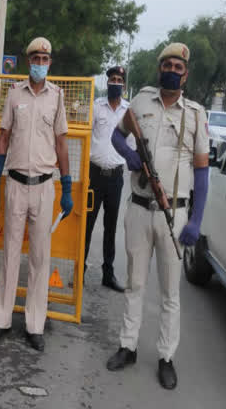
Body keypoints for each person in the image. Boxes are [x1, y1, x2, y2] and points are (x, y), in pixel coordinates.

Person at [105, 42, 209, 390]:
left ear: (186, 74)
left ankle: (166, 356)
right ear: (159, 67)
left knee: (169, 293)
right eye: (167, 65)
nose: (172, 71)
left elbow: (203, 172)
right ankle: (128, 346)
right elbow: (117, 138)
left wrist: (196, 221)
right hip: (137, 207)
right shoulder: (140, 103)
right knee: (134, 284)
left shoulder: (195, 114)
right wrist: (132, 159)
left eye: (178, 67)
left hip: (174, 214)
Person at [0, 37, 73, 351]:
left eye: (44, 58)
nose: (39, 63)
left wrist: (66, 184)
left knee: (39, 257)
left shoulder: (57, 97)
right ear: (28, 62)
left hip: (45, 187)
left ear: (50, 63)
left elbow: (61, 143)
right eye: (34, 58)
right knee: (9, 254)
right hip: (16, 185)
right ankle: (1, 319)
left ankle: (35, 325)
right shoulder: (14, 95)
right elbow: (3, 139)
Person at [84, 66, 129, 292]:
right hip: (94, 175)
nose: (115, 82)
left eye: (119, 79)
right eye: (112, 79)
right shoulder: (96, 107)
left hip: (115, 178)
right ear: (107, 81)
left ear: (124, 85)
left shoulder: (128, 111)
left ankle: (108, 274)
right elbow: (85, 138)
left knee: (110, 227)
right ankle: (79, 271)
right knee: (87, 224)